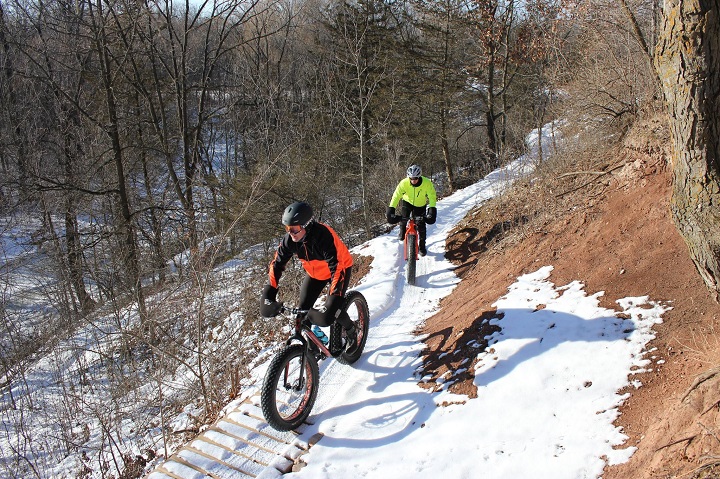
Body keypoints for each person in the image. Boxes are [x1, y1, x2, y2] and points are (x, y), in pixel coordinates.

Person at [260, 201, 358, 354]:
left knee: (333, 310)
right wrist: (269, 293)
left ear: (306, 225)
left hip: (340, 268)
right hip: (315, 274)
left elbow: (337, 267)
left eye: (294, 228)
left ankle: (352, 331)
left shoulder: (323, 235)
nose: (290, 232)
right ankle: (313, 350)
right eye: (287, 228)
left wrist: (331, 302)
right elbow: (276, 264)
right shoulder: (290, 241)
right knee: (302, 314)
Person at [386, 164, 437, 256]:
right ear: (408, 177)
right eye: (411, 178)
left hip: (420, 205)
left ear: (419, 176)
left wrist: (432, 209)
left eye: (416, 178)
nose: (413, 180)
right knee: (403, 217)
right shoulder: (404, 183)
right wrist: (391, 208)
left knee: (421, 225)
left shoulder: (427, 183)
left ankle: (422, 246)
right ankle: (402, 232)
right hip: (407, 202)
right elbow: (396, 196)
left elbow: (432, 196)